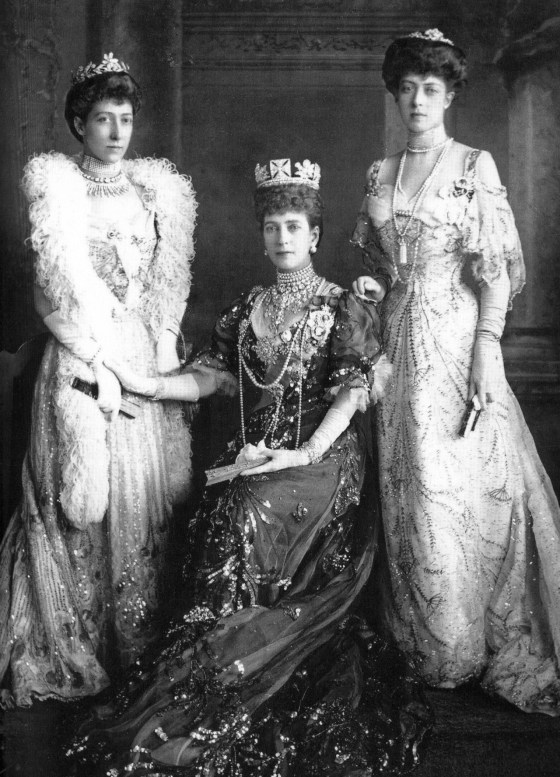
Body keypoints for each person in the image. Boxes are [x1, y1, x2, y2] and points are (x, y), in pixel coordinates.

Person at [69, 158, 431, 776]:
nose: (282, 238)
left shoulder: (343, 306)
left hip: (323, 459)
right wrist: (149, 385)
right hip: (257, 457)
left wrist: (302, 454)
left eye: (294, 227)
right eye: (272, 227)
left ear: (315, 236)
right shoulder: (247, 307)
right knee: (224, 506)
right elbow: (211, 378)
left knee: (246, 506)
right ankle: (215, 660)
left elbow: (349, 397)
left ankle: (241, 651)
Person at [351, 29, 560, 715]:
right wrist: (373, 293)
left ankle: (461, 641)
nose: (417, 100)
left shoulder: (475, 165)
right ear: (395, 93)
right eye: (407, 88)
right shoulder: (380, 175)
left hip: (458, 338)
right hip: (397, 347)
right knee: (403, 481)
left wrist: (485, 351)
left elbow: (494, 273)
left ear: (449, 96)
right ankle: (421, 638)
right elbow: (380, 269)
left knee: (457, 484)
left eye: (431, 89)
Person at [0, 54, 197, 707]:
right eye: (103, 119)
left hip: (139, 354)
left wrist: (162, 351)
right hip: (82, 352)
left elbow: (167, 286)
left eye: (126, 118)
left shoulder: (152, 191)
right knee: (85, 497)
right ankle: (84, 635)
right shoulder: (61, 190)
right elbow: (47, 295)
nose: (116, 131)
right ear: (79, 122)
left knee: (149, 495)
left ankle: (140, 640)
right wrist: (95, 355)